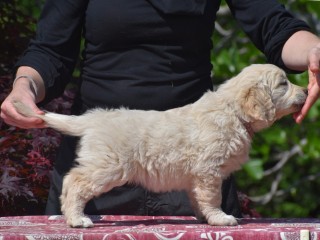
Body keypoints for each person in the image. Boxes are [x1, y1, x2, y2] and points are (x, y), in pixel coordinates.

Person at [1, 0, 320, 217]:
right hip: (106, 155)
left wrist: (314, 50)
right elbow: (50, 50)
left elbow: (275, 26)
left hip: (192, 164)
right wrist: (24, 86)